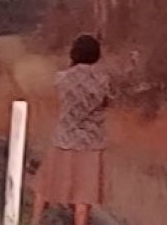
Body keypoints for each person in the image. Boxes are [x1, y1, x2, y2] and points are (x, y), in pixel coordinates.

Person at [31, 34, 110, 225]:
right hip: (91, 144)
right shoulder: (103, 80)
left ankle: (34, 221)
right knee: (83, 197)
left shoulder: (62, 78)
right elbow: (107, 103)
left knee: (45, 187)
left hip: (63, 140)